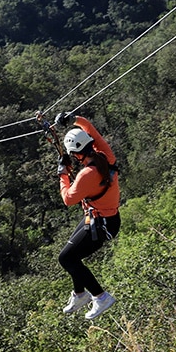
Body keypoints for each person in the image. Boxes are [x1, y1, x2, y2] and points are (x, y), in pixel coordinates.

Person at [53, 112, 121, 320]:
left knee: (66, 258)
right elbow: (90, 128)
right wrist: (74, 119)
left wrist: (62, 173)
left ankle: (100, 297)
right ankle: (80, 293)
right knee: (72, 255)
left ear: (76, 154)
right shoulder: (105, 156)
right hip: (103, 220)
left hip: (101, 224)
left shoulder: (86, 175)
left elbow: (68, 198)